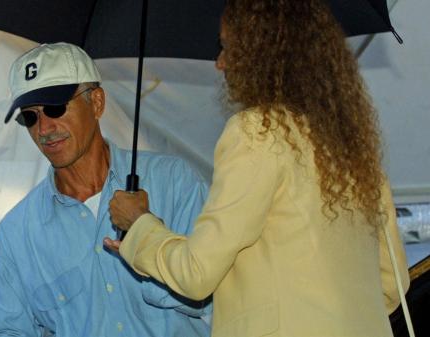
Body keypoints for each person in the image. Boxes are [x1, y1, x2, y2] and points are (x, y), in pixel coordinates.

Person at [105, 1, 410, 337]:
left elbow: (197, 273)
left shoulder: (257, 132)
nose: (220, 63)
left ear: (262, 54)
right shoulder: (351, 147)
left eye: (226, 47)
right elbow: (392, 284)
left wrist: (139, 225)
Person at [0, 42, 211, 337]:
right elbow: (0, 331)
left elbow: (220, 295)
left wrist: (147, 233)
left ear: (96, 103)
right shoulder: (17, 232)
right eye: (30, 117)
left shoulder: (174, 183)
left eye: (55, 107)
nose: (44, 129)